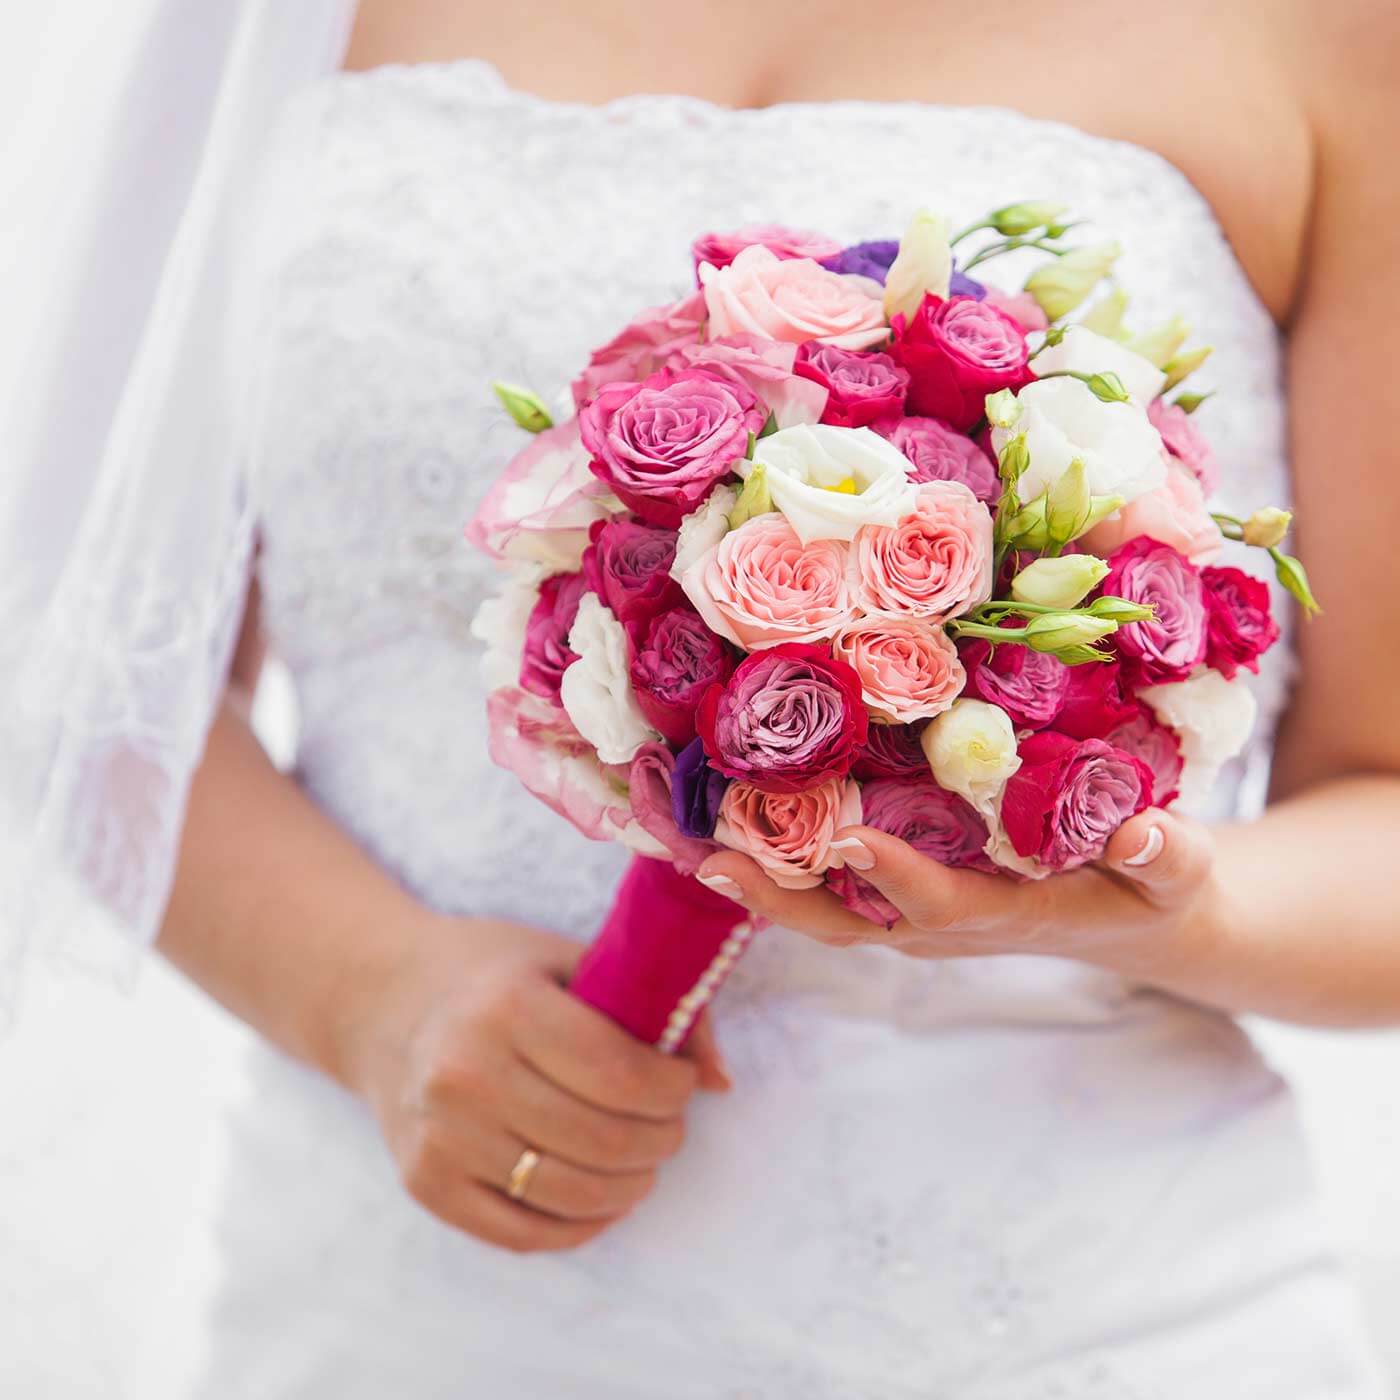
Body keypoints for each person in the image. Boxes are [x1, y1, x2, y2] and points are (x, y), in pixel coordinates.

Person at [25, 0, 1400, 1393]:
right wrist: (370, 997)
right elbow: (83, 666)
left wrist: (1164, 898)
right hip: (411, 1294)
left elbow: (1383, 800)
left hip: (1080, 1302)